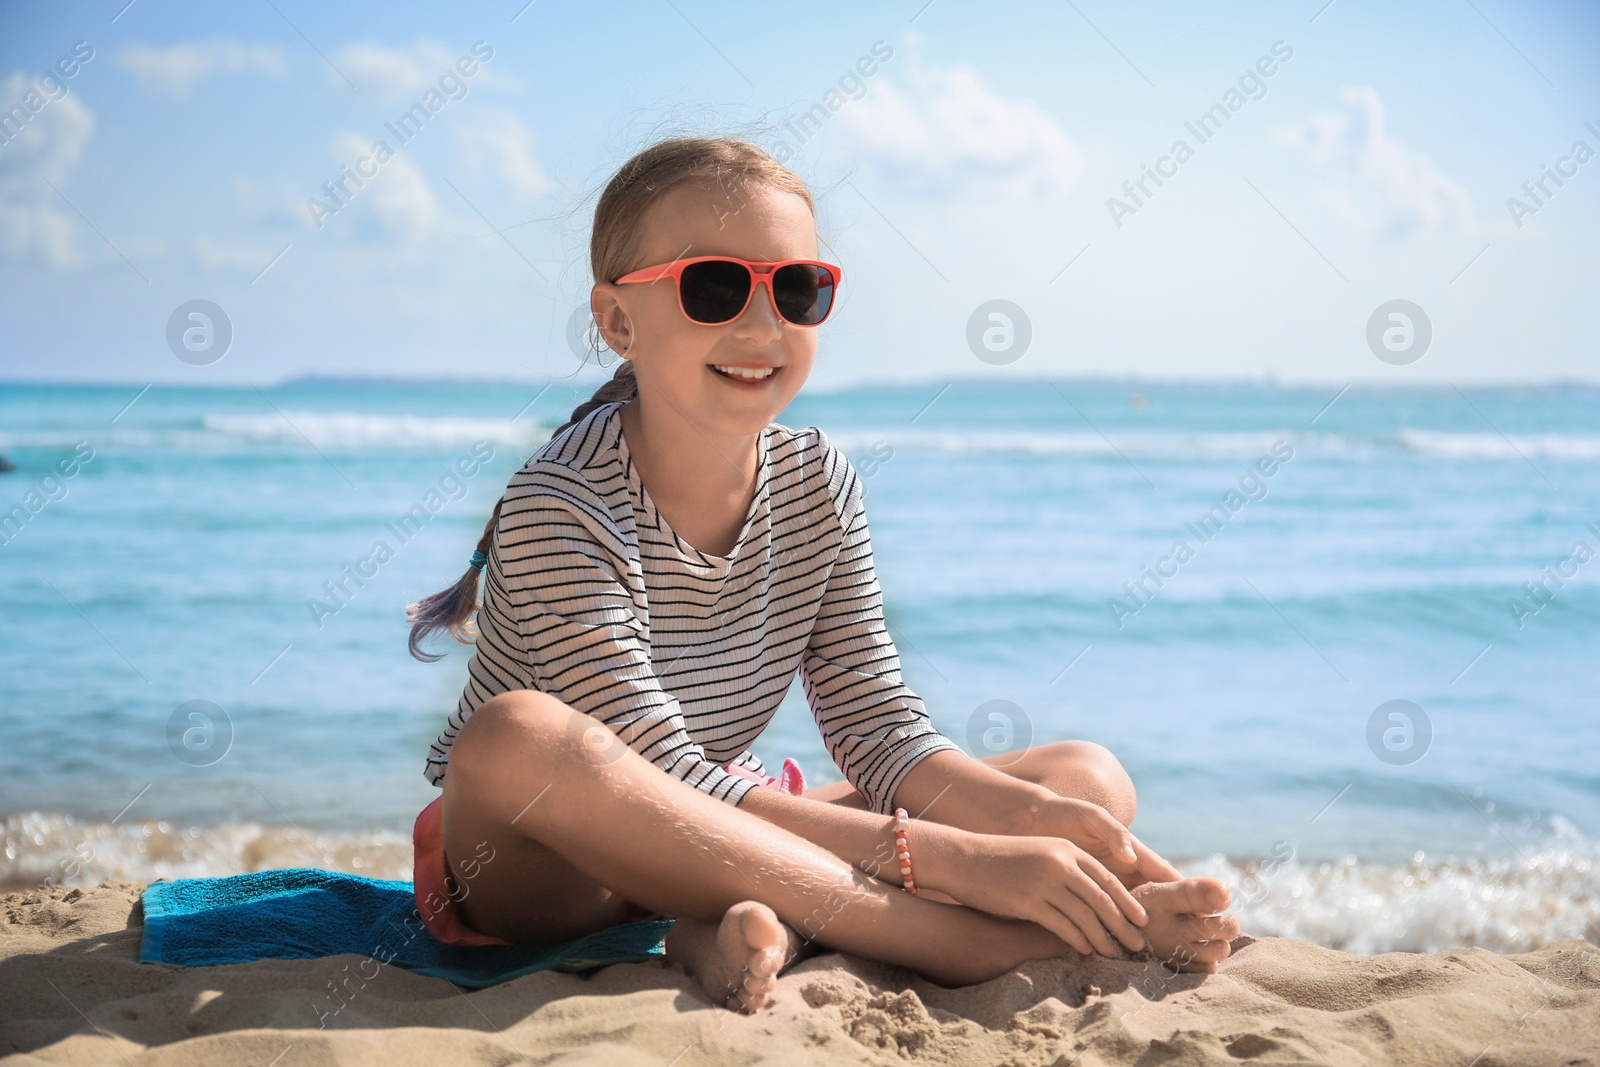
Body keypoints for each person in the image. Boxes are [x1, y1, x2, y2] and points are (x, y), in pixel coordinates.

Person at [405, 134, 1237, 1013]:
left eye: (797, 290)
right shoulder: (561, 502)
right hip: (546, 869)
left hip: (728, 827)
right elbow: (659, 772)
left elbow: (880, 730)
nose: (762, 326)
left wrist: (1029, 826)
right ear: (617, 321)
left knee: (1082, 781)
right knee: (516, 736)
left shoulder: (818, 482)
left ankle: (735, 931)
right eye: (714, 286)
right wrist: (953, 858)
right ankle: (967, 941)